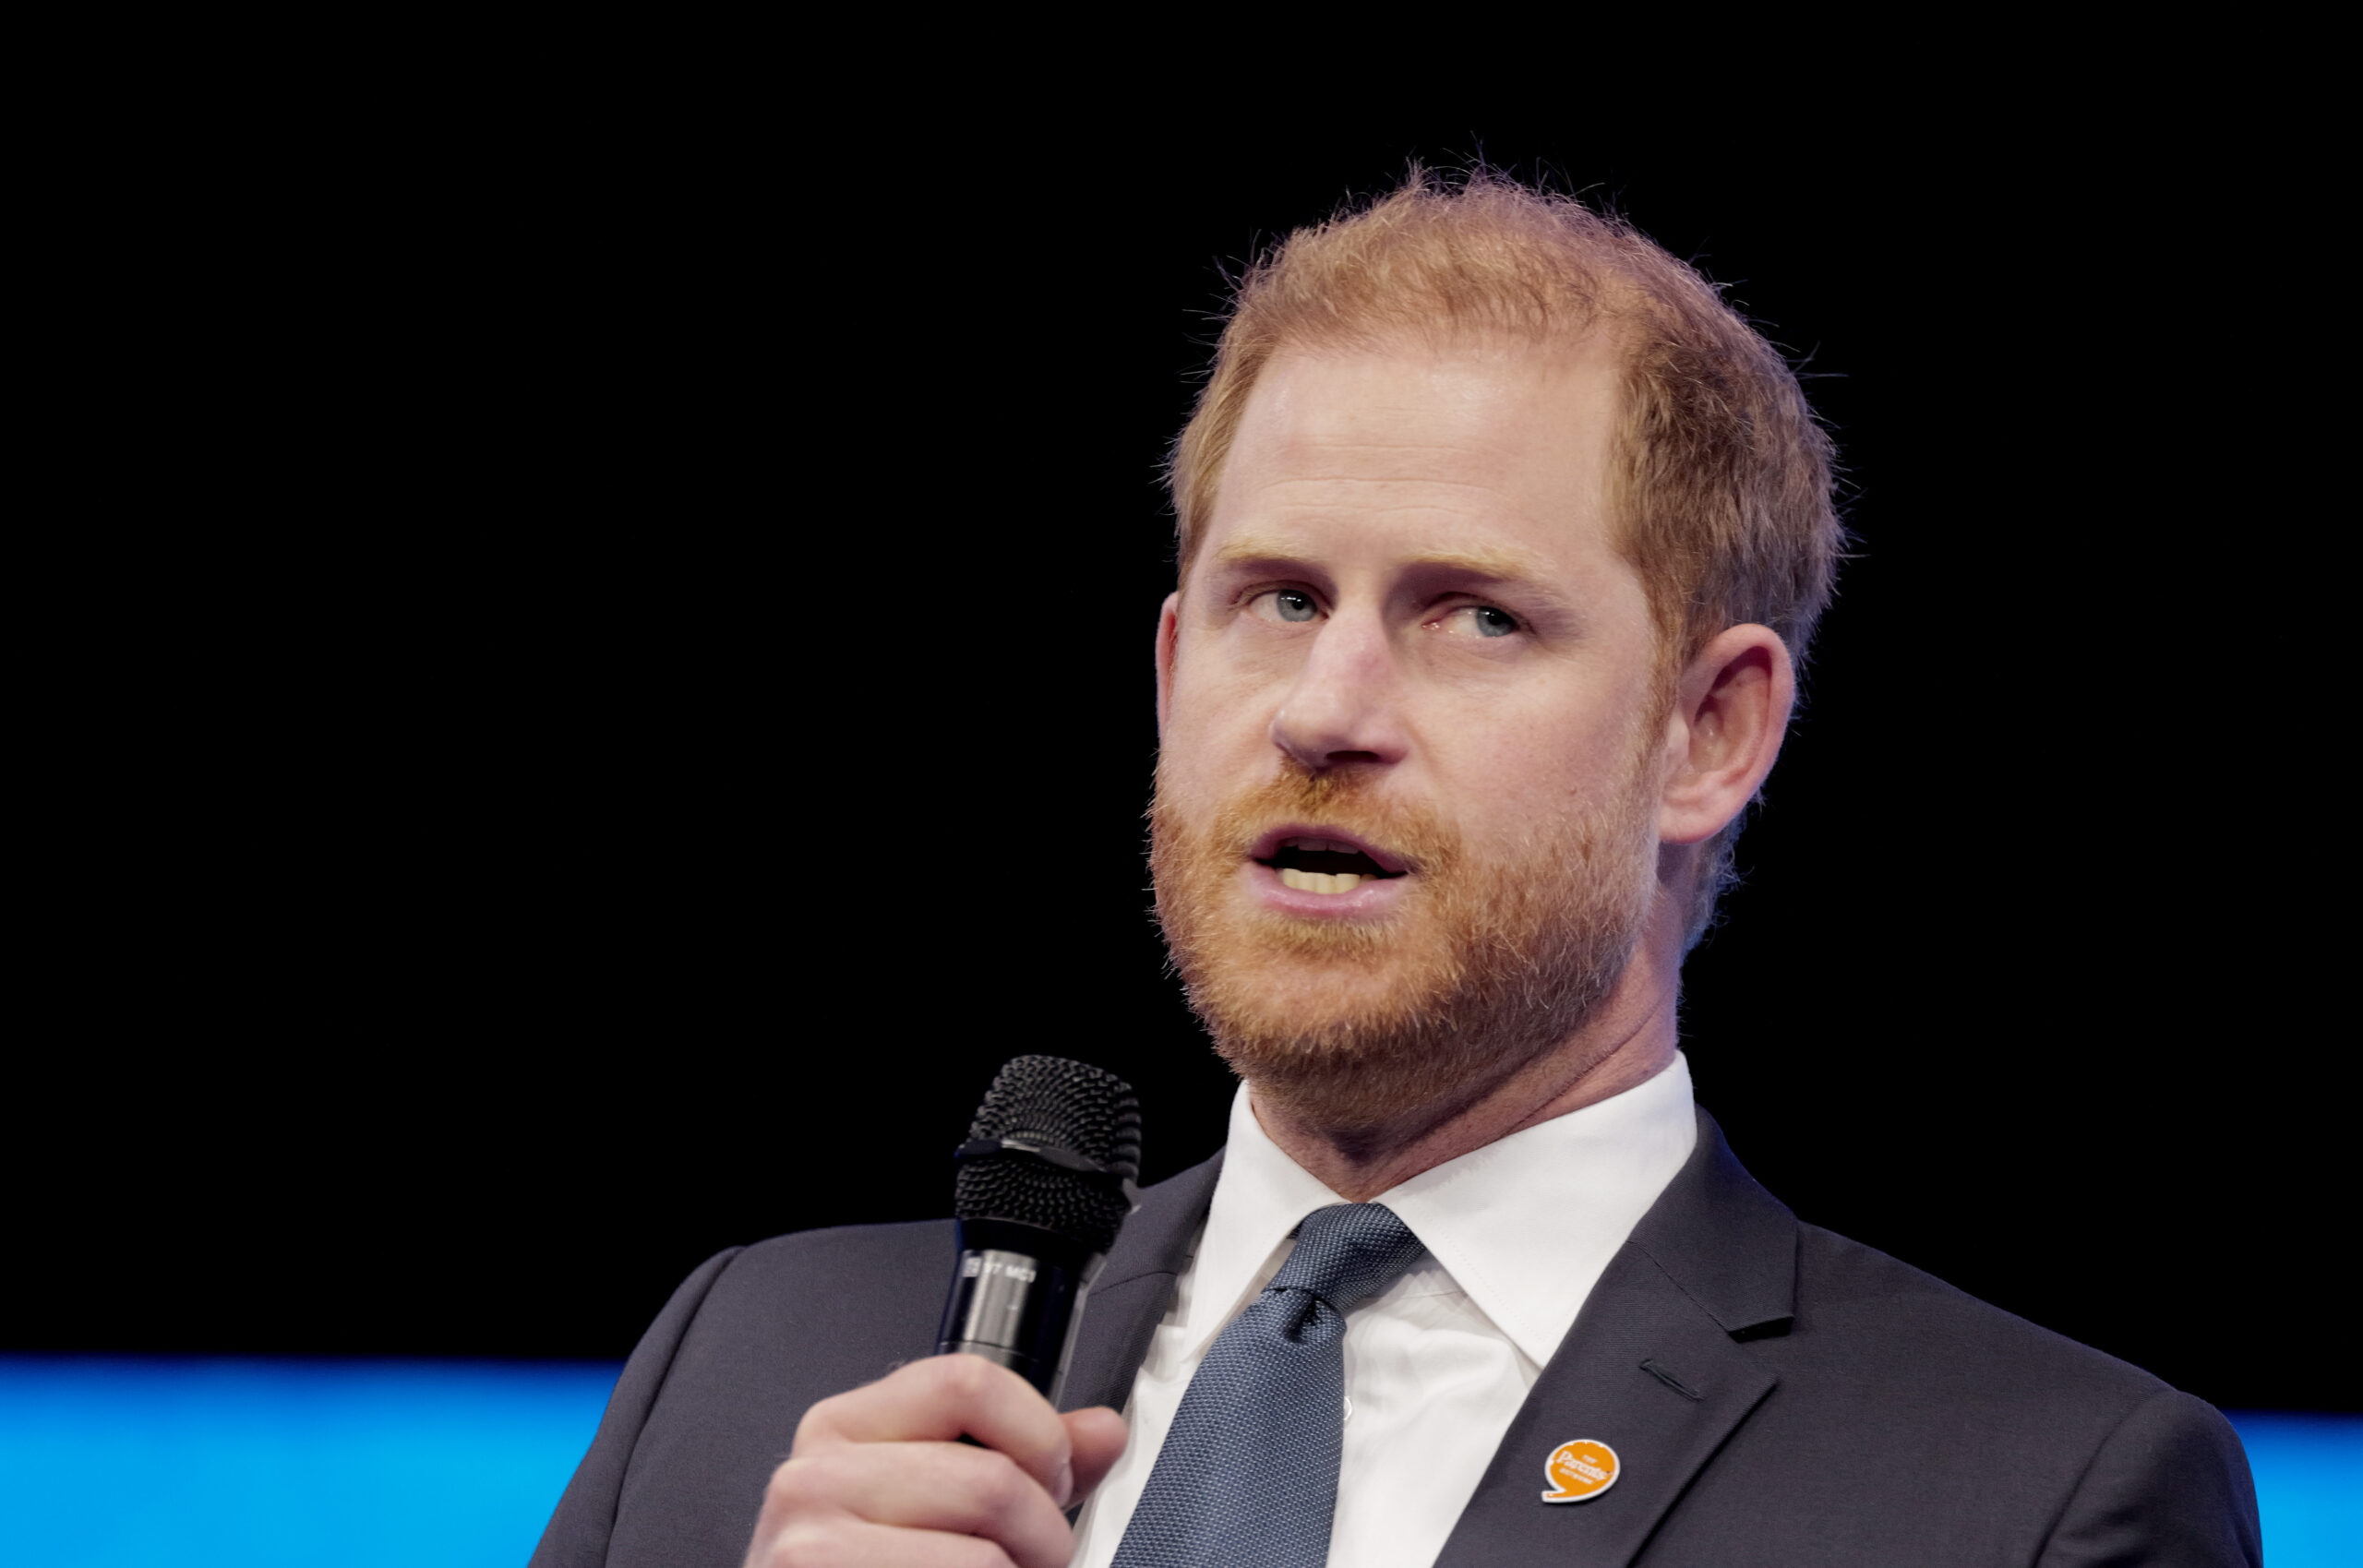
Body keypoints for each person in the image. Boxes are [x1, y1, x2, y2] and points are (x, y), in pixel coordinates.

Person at [533, 172, 2261, 1568]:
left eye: (1475, 617)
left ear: (1712, 735)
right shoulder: (754, 1366)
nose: (1324, 708)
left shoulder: (2026, 1498)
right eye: (1277, 599)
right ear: (1166, 670)